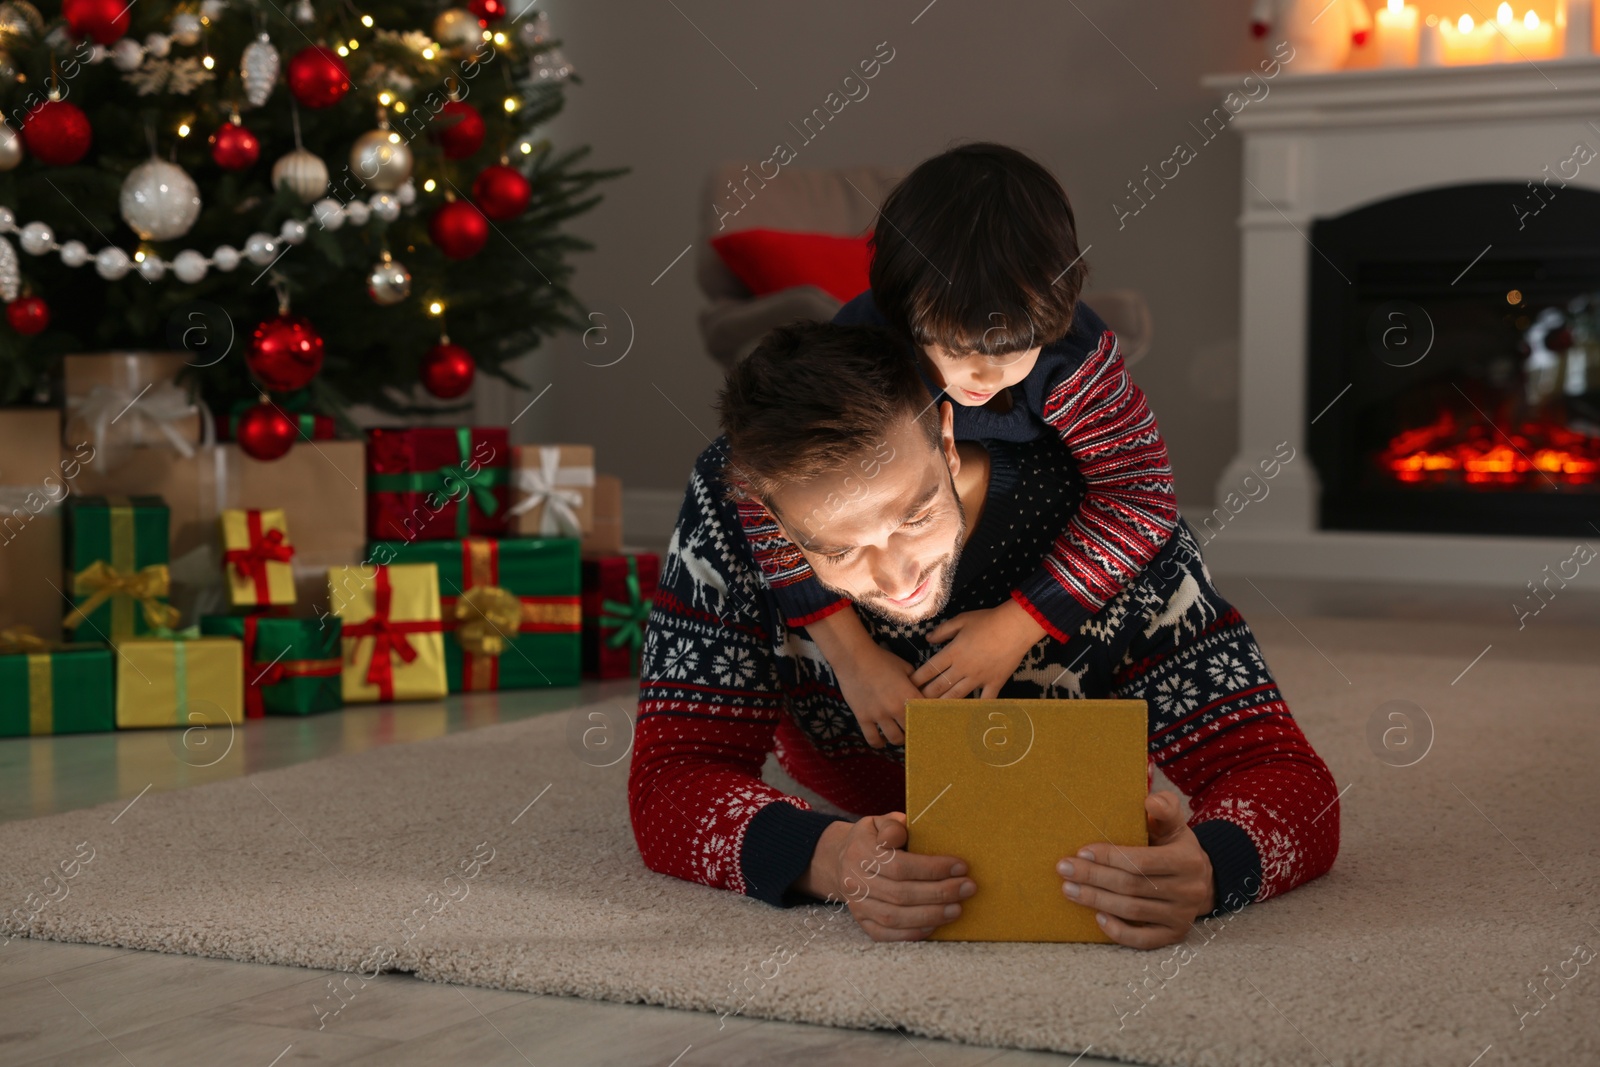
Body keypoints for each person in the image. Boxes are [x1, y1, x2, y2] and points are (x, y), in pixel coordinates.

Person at [628, 320, 1340, 948]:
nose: (899, 575)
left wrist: (1212, 865)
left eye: (914, 515)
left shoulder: (1112, 535)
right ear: (775, 525)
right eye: (840, 552)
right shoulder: (731, 515)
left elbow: (1289, 780)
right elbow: (672, 776)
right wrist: (831, 854)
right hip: (839, 781)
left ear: (944, 434)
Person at [736, 143, 1179, 754]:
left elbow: (1142, 492)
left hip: (1026, 553)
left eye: (1012, 351)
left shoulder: (1077, 363)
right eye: (953, 346)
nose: (983, 375)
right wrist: (853, 658)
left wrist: (1018, 625)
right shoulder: (862, 351)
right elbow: (768, 496)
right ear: (905, 310)